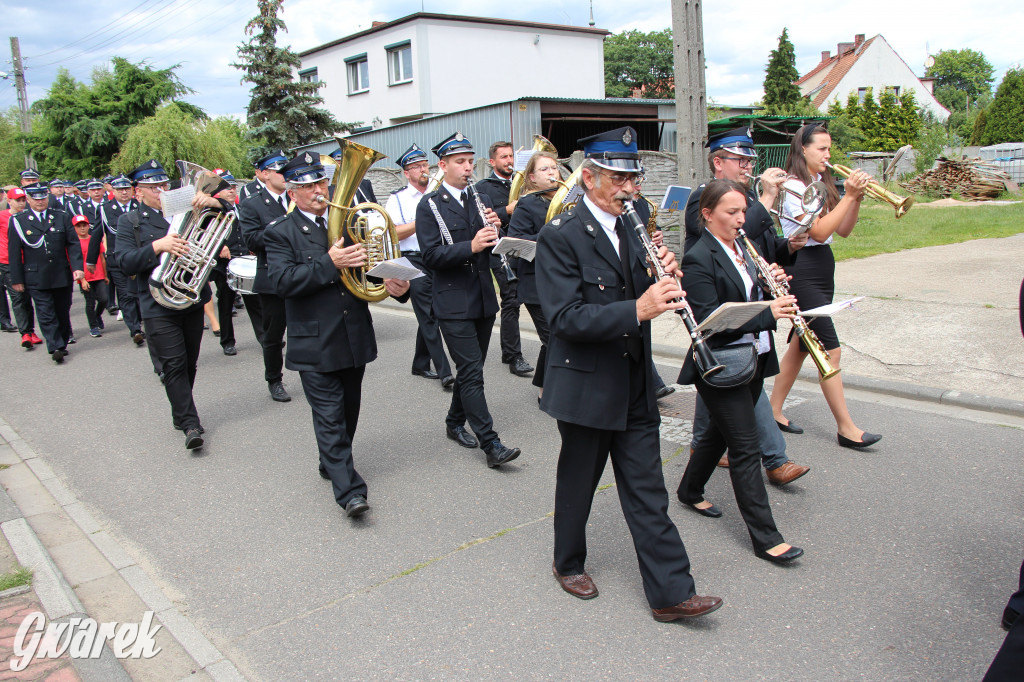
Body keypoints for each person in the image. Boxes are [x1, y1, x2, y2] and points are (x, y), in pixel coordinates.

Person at [535, 126, 721, 621]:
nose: (629, 188)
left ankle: (670, 594)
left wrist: (664, 272)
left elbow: (640, 281)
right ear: (590, 177)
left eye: (632, 178)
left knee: (647, 490)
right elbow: (563, 318)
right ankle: (567, 561)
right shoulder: (561, 235)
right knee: (579, 481)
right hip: (585, 382)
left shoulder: (635, 217)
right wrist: (637, 308)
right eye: (618, 178)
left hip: (635, 380)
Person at [264, 153, 411, 518]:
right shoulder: (279, 232)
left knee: (348, 411)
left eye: (322, 183)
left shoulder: (348, 224)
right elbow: (282, 283)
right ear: (293, 193)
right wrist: (330, 262)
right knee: (329, 414)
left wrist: (393, 283)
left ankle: (329, 459)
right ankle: (350, 492)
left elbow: (371, 268)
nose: (319, 191)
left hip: (353, 334)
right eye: (309, 187)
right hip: (314, 339)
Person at [676, 179, 804, 563]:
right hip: (720, 364)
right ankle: (767, 538)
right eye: (731, 212)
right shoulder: (698, 257)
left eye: (742, 211)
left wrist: (772, 288)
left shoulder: (742, 249)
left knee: (717, 433)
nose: (740, 218)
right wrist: (768, 311)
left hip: (753, 358)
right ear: (707, 214)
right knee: (745, 448)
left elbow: (748, 298)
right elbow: (710, 319)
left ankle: (688, 491)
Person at [683, 126, 811, 485]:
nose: (748, 166)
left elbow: (761, 242)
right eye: (740, 160)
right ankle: (775, 460)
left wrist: (789, 249)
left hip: (751, 295)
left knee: (719, 380)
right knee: (740, 379)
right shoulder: (703, 198)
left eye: (750, 160)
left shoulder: (748, 199)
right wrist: (767, 198)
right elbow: (735, 234)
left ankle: (699, 452)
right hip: (723, 303)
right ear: (718, 162)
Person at [768, 123, 881, 449]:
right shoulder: (792, 187)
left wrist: (854, 199)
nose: (828, 155)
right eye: (822, 149)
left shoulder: (820, 183)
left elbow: (841, 230)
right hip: (801, 266)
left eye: (830, 149)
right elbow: (816, 232)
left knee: (803, 345)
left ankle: (774, 409)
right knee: (828, 347)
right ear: (803, 149)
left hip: (823, 266)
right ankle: (846, 428)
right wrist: (849, 195)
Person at [415, 132, 522, 468]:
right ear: (443, 165)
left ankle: (453, 421)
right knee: (473, 372)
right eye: (459, 162)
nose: (467, 168)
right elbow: (430, 255)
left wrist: (496, 231)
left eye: (469, 161)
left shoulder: (477, 199)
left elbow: (492, 246)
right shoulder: (430, 204)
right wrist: (471, 246)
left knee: (469, 370)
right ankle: (490, 444)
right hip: (452, 301)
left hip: (482, 298)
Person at [116, 160, 220, 450]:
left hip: (189, 297)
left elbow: (225, 222)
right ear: (138, 192)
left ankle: (180, 410)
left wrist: (211, 201)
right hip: (156, 302)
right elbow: (123, 262)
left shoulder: (188, 211)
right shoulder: (131, 222)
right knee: (173, 364)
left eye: (164, 185)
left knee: (189, 361)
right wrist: (156, 246)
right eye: (153, 187)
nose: (161, 191)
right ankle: (190, 423)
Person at [383, 143, 454, 388]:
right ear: (406, 172)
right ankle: (445, 372)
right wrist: (423, 220)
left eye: (425, 165)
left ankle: (420, 363)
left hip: (437, 255)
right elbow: (393, 233)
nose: (423, 170)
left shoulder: (438, 193)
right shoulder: (398, 198)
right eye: (416, 167)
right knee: (429, 314)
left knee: (434, 310)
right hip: (412, 258)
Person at [6, 182, 85, 363]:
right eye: (35, 198)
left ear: (47, 197)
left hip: (60, 273)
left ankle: (62, 342)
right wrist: (16, 279)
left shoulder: (61, 217)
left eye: (43, 197)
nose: (40, 201)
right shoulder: (19, 221)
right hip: (35, 275)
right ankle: (54, 346)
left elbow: (72, 243)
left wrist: (78, 267)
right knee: (45, 312)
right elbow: (14, 252)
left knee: (62, 311)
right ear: (28, 199)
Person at [474, 141, 532, 377]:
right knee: (511, 299)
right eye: (504, 157)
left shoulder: (526, 184)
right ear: (492, 162)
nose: (509, 161)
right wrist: (506, 211)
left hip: (525, 245)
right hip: (500, 249)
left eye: (511, 156)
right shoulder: (483, 187)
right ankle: (513, 355)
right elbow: (480, 218)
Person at [239, 150, 291, 402]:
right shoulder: (252, 203)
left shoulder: (296, 197)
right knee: (273, 334)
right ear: (265, 174)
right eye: (279, 170)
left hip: (302, 273)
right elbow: (251, 239)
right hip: (272, 276)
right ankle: (274, 379)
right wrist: (282, 227)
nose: (285, 175)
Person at [507, 150, 558, 400]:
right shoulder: (527, 204)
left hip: (564, 281)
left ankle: (544, 387)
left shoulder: (568, 200)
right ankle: (546, 391)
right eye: (545, 169)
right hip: (536, 284)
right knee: (554, 337)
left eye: (554, 168)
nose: (552, 173)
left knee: (556, 338)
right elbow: (516, 245)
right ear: (532, 178)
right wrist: (551, 234)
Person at [88, 174, 144, 345]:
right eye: (120, 190)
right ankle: (135, 329)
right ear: (113, 191)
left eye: (127, 189)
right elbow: (97, 234)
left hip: (140, 257)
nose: (124, 193)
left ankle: (141, 319)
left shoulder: (139, 205)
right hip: (117, 259)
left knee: (140, 293)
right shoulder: (105, 208)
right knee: (126, 294)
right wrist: (91, 260)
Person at [205, 169, 246, 356]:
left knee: (255, 301)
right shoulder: (212, 212)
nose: (232, 191)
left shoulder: (240, 207)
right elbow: (205, 235)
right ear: (218, 193)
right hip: (224, 262)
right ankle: (227, 340)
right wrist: (220, 245)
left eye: (234, 187)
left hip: (243, 258)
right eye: (227, 188)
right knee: (225, 302)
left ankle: (265, 338)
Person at [0, 187, 40, 345]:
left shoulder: (29, 217)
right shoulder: (2, 217)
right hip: (8, 263)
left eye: (24, 200)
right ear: (9, 201)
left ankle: (31, 331)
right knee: (17, 297)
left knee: (28, 298)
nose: (22, 203)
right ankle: (25, 334)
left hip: (28, 262)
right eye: (18, 200)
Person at [71, 214, 108, 337]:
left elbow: (102, 258)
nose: (82, 228)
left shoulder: (94, 239)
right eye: (79, 226)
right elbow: (75, 262)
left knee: (104, 299)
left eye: (84, 225)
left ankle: (97, 315)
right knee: (90, 302)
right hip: (85, 277)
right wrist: (82, 280)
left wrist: (106, 275)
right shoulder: (74, 243)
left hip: (99, 275)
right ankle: (93, 326)